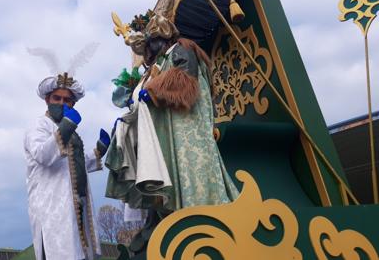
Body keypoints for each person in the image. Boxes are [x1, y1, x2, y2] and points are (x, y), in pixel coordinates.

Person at [106, 13, 238, 234]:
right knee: (172, 181)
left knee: (194, 175)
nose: (147, 52)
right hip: (170, 134)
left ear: (159, 38)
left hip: (188, 131)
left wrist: (155, 92)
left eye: (149, 45)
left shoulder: (182, 48)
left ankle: (208, 227)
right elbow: (143, 93)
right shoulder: (159, 64)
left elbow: (185, 83)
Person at [25, 72, 110, 260]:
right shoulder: (39, 125)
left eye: (67, 100)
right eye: (57, 98)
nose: (62, 103)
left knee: (79, 252)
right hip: (52, 205)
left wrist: (98, 151)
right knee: (60, 251)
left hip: (77, 204)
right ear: (47, 99)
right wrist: (67, 126)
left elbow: (73, 163)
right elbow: (43, 155)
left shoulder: (71, 132)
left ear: (73, 104)